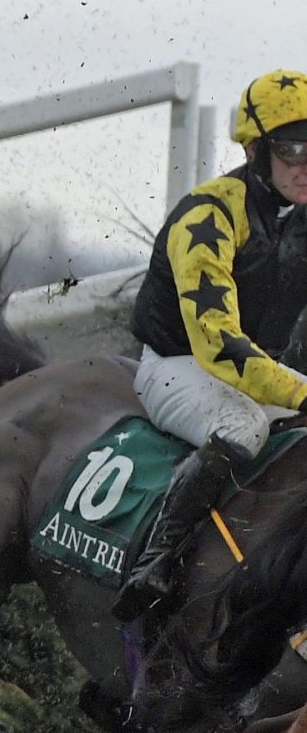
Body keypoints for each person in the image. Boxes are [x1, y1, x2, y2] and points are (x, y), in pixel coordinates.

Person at [113, 68, 307, 622]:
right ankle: (156, 562)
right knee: (243, 427)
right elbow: (218, 346)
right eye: (293, 149)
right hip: (180, 366)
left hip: (257, 374)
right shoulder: (210, 214)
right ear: (254, 150)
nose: (306, 164)